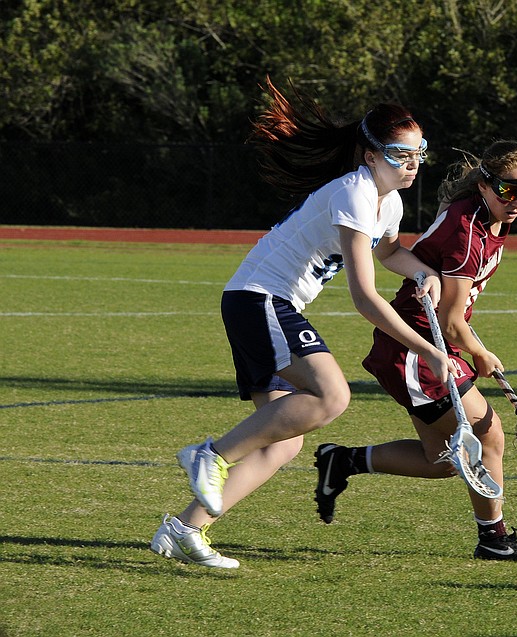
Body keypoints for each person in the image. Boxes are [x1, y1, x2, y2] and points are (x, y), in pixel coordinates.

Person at [150, 78, 453, 568]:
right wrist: (428, 350)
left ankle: (186, 529)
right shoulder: (353, 192)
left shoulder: (388, 201)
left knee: (284, 441)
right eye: (402, 153)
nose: (413, 163)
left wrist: (424, 272)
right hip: (260, 299)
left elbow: (391, 252)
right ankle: (211, 455)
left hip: (262, 303)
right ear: (370, 154)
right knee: (332, 396)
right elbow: (364, 296)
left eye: (420, 152)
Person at [314, 140, 517, 562]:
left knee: (442, 460)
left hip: (423, 346)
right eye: (507, 190)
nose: (516, 201)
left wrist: (471, 347)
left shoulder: (490, 218)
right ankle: (493, 539)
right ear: (485, 185)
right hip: (416, 350)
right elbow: (451, 323)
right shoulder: (467, 233)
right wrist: (481, 352)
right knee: (488, 434)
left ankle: (343, 461)